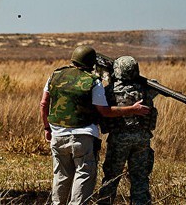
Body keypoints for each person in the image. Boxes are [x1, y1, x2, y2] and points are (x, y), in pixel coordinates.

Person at [39, 45, 150, 205]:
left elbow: (43, 104)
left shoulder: (55, 76)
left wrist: (47, 128)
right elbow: (104, 111)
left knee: (61, 176)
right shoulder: (93, 81)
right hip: (83, 138)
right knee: (83, 176)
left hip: (58, 136)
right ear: (92, 63)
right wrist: (133, 109)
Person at [96, 56, 159, 205]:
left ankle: (105, 202)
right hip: (142, 139)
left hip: (118, 139)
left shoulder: (108, 91)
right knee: (140, 178)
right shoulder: (146, 89)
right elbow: (156, 85)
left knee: (111, 177)